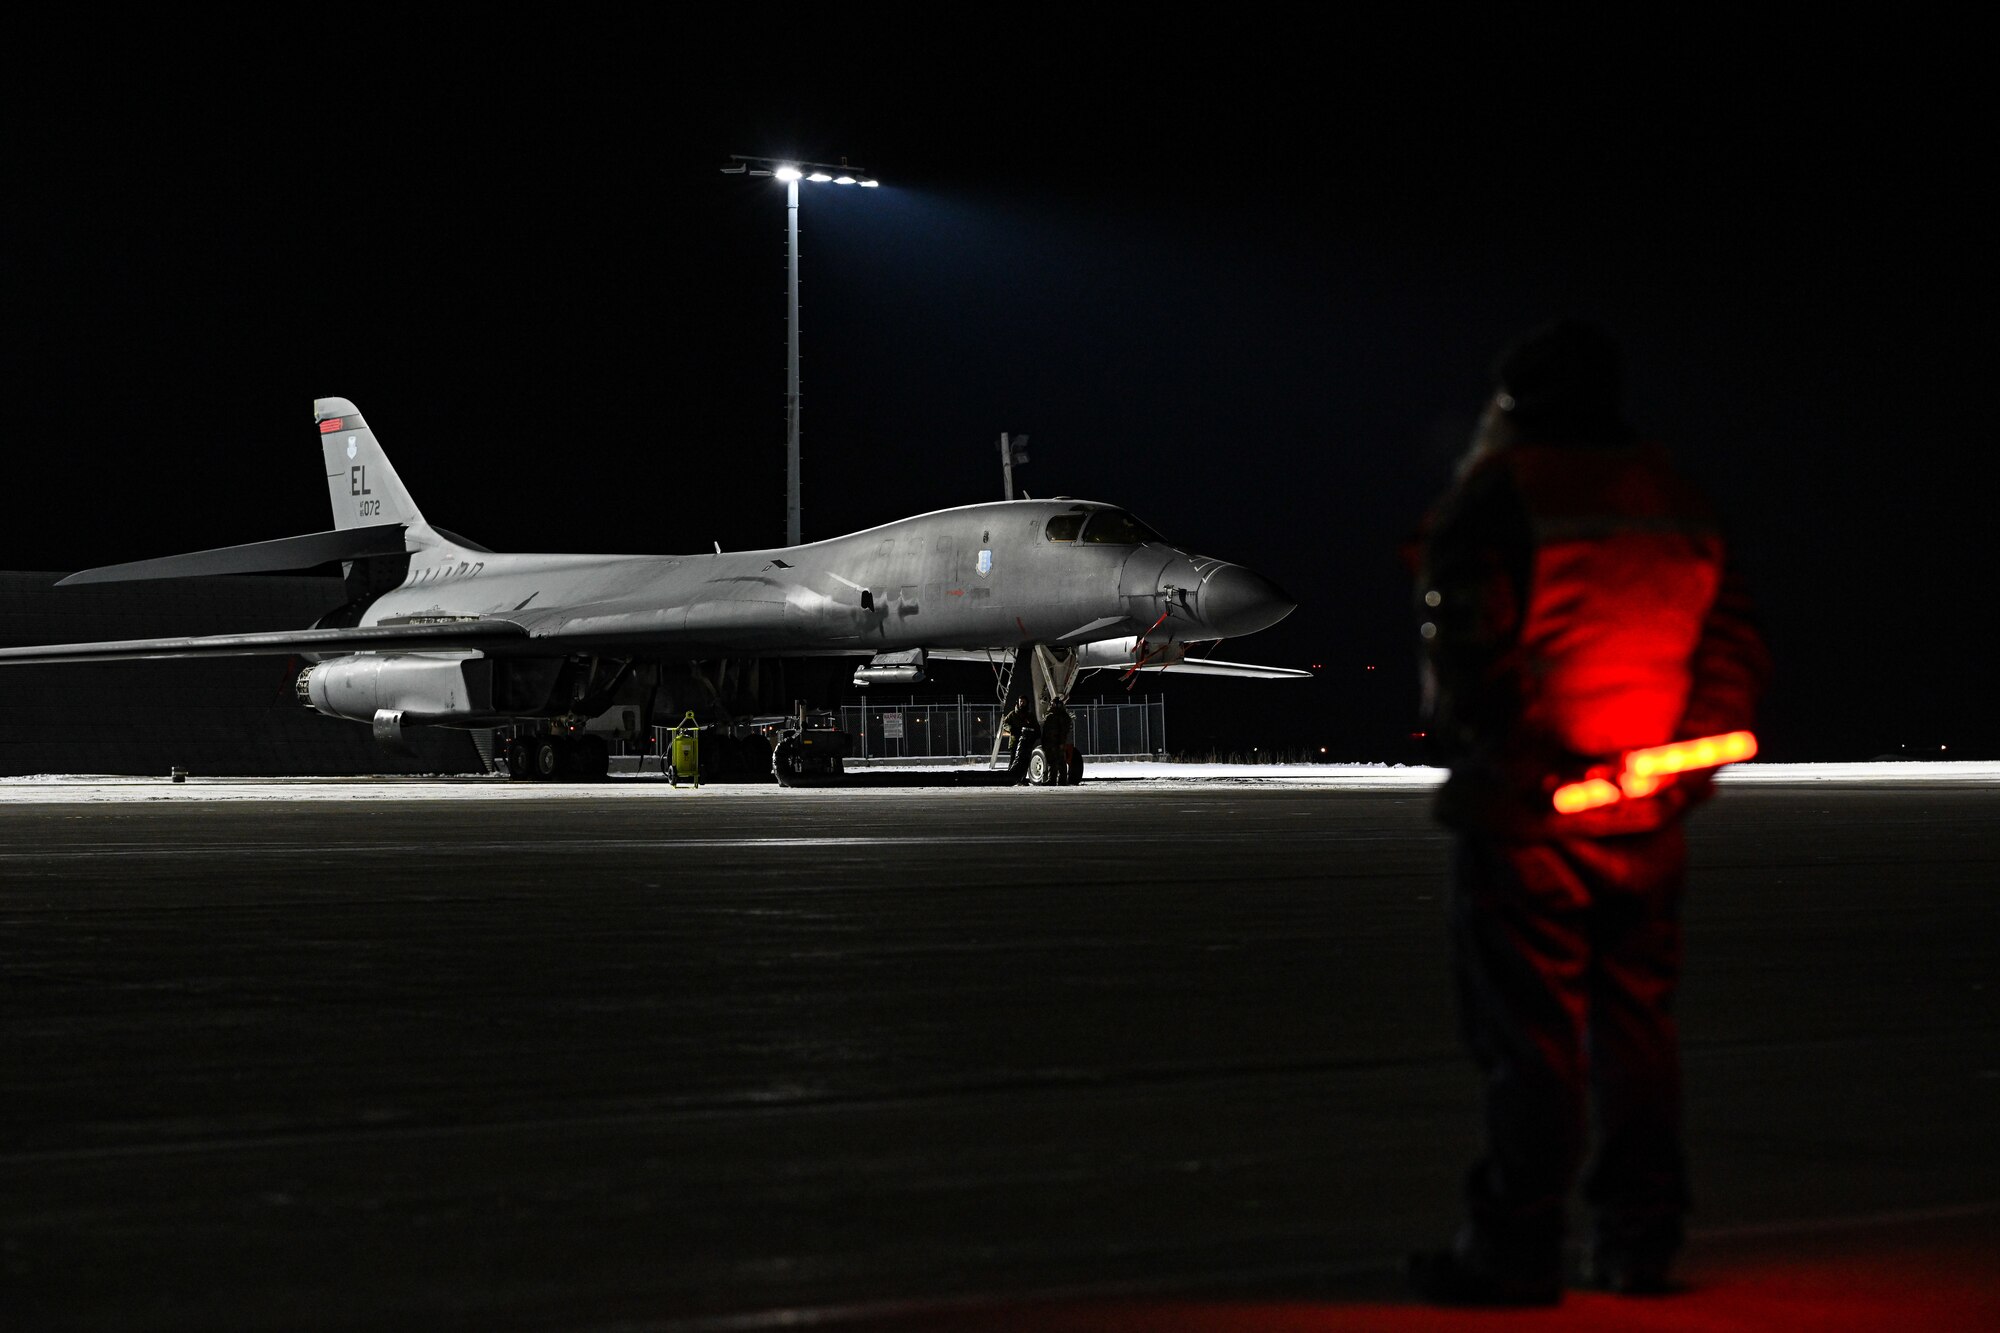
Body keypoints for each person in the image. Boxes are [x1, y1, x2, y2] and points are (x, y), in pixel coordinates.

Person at [1406, 321, 1770, 1306]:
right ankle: (1637, 1242)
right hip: (1646, 823)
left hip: (1527, 824)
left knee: (1529, 1042)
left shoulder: (1501, 492)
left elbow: (1467, 655)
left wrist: (1530, 765)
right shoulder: (1675, 495)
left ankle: (1512, 1250)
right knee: (1636, 1033)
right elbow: (1730, 648)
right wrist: (1671, 774)